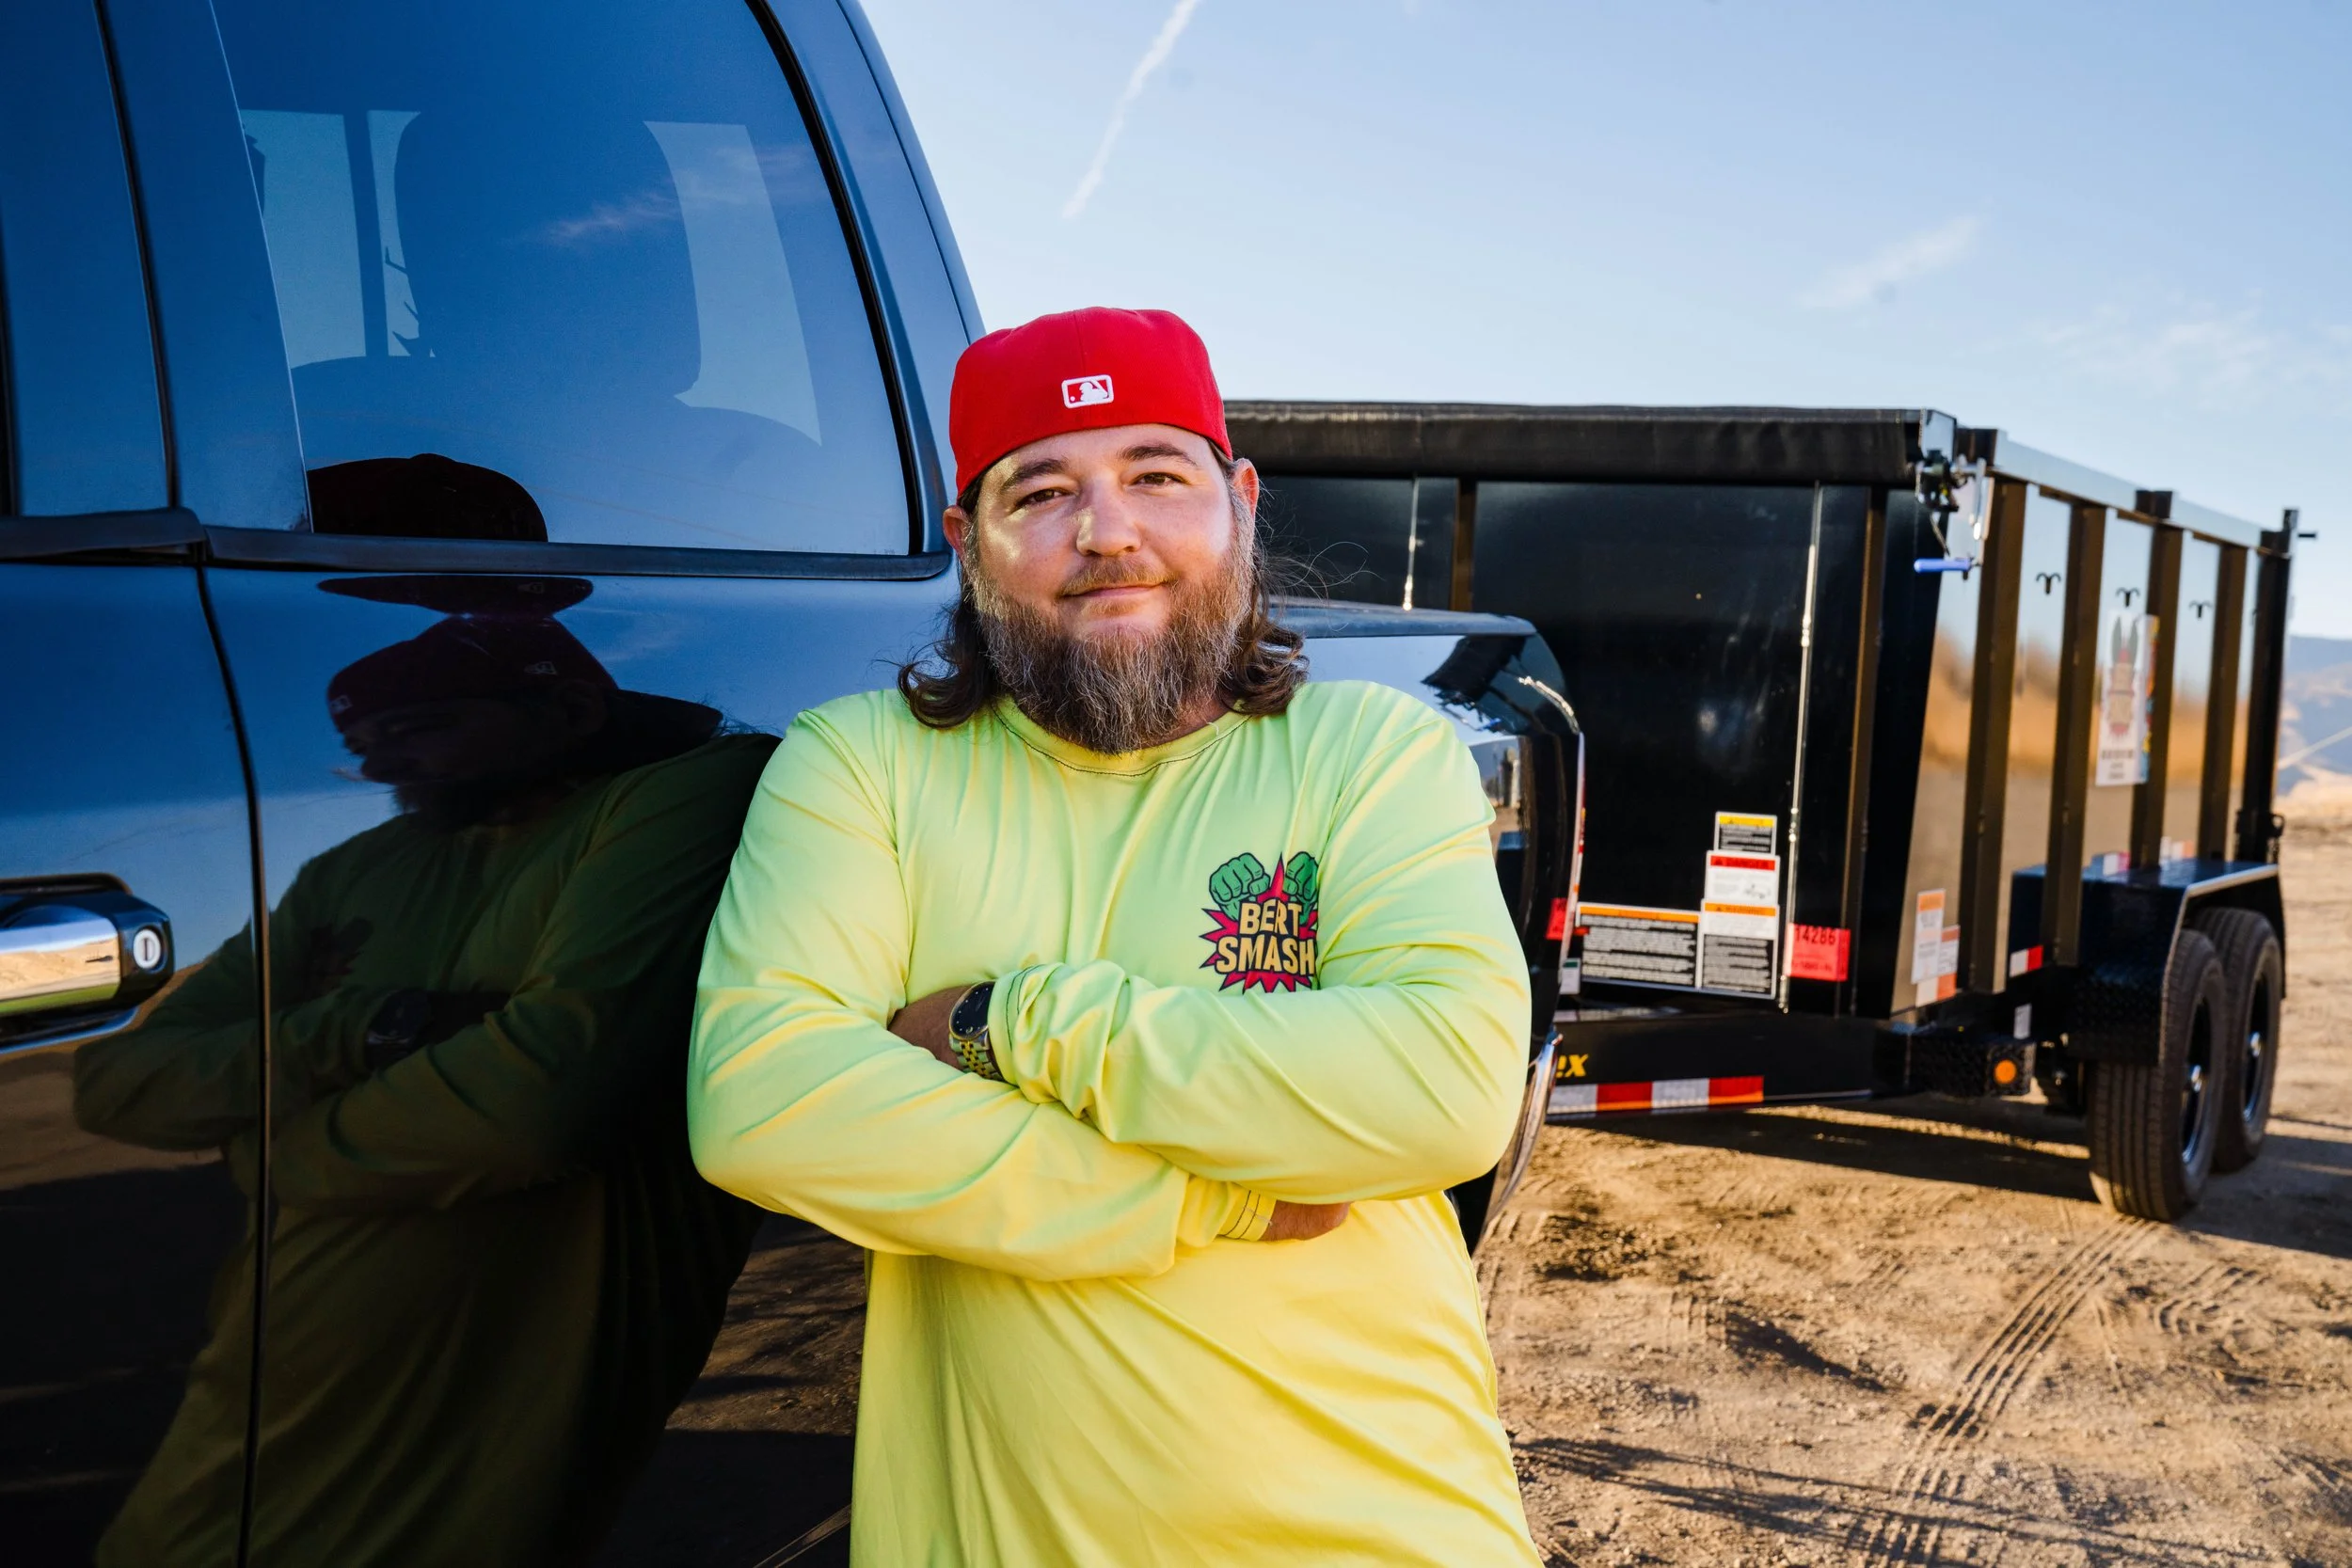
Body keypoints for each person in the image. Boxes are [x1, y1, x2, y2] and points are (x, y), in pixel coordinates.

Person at [690, 307, 1542, 1564]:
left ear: (1239, 501)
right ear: (966, 544)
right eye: (1042, 490)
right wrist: (1205, 1194)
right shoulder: (862, 769)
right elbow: (759, 1094)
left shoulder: (1372, 754)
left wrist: (1005, 1020)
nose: (1109, 531)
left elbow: (1442, 1088)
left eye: (1157, 474)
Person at [76, 567, 768, 1566]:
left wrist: (283, 1151)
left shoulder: (685, 795)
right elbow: (121, 1083)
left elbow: (540, 1100)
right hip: (263, 1373)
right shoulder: (361, 867)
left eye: (425, 730)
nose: (392, 768)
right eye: (368, 748)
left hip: (488, 1385)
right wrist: (369, 1026)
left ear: (568, 707)